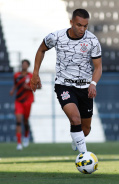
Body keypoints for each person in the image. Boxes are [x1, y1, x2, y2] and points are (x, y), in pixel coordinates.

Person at [30, 9, 102, 153]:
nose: (82, 29)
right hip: (64, 85)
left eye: (85, 26)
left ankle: (77, 139)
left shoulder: (92, 40)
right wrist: (35, 73)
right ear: (71, 23)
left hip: (85, 88)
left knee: (85, 130)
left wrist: (93, 84)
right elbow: (41, 49)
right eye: (79, 25)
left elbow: (98, 67)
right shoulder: (56, 36)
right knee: (75, 119)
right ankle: (84, 156)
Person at [10, 59, 38, 150]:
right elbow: (15, 84)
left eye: (25, 64)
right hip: (19, 100)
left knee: (25, 121)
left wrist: (29, 87)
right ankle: (19, 143)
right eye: (23, 64)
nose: (24, 66)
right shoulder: (16, 75)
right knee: (18, 120)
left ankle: (26, 135)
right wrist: (13, 90)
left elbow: (38, 87)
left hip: (28, 101)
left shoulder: (31, 76)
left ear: (28, 66)